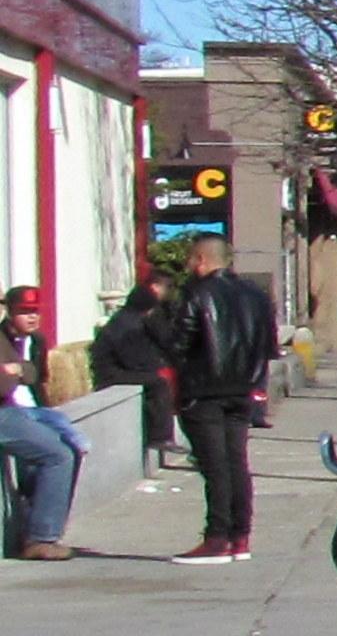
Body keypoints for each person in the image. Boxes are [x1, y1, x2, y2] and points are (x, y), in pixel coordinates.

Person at [164, 233, 279, 562]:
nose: (188, 265)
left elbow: (178, 344)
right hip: (242, 391)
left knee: (215, 467)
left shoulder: (197, 294)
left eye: (191, 259)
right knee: (237, 463)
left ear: (201, 260)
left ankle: (217, 537)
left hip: (203, 392)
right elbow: (268, 344)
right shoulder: (255, 295)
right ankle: (240, 536)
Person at [0, 285, 78, 561]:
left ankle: (43, 525)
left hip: (34, 409)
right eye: (24, 312)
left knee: (75, 445)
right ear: (9, 312)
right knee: (57, 456)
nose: (31, 318)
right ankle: (41, 537)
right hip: (8, 411)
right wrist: (15, 372)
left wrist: (19, 370)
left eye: (35, 312)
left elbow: (36, 375)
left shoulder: (37, 340)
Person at [95, 265, 180, 472]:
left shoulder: (127, 320)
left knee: (160, 379)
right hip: (111, 374)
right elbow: (133, 359)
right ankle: (160, 437)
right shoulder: (129, 325)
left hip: (115, 368)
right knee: (158, 383)